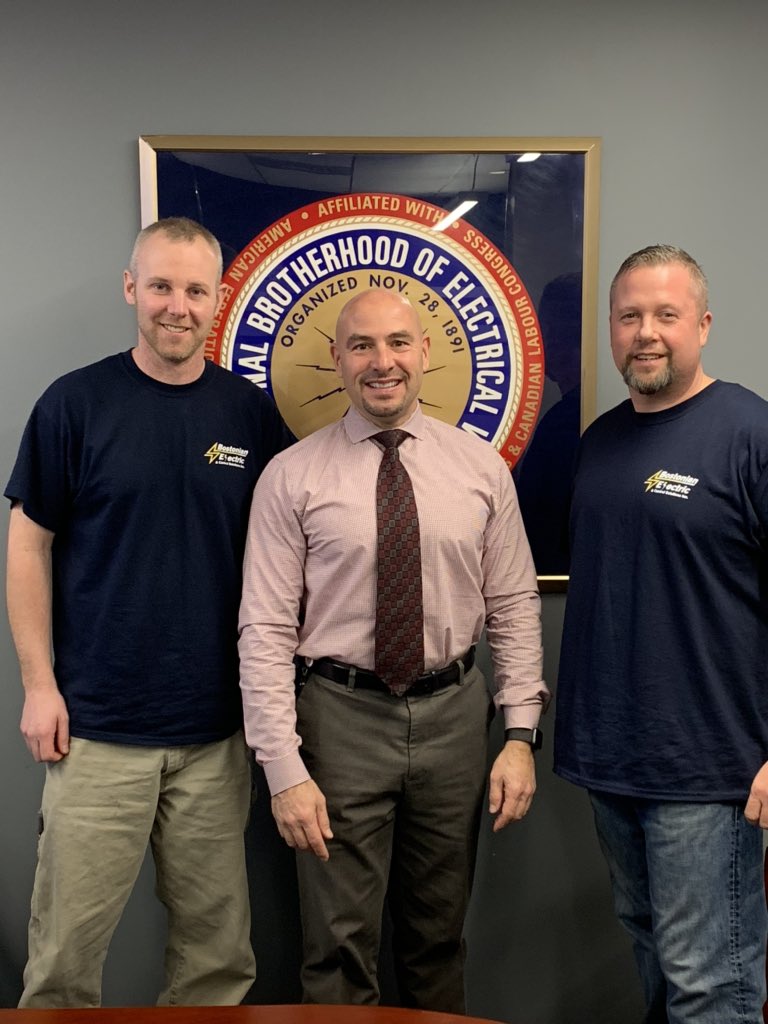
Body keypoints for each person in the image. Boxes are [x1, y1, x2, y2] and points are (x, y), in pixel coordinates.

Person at [5, 217, 292, 1008]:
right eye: (161, 286)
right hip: (96, 731)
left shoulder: (248, 415)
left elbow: (284, 559)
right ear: (131, 288)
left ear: (218, 300)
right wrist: (39, 685)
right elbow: (27, 546)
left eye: (195, 290)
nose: (177, 306)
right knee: (63, 961)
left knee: (217, 962)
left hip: (216, 737)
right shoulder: (75, 404)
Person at [238, 287, 548, 1012]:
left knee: (437, 938)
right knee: (337, 947)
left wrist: (520, 736)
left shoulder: (480, 469)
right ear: (337, 358)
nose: (383, 361)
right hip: (337, 721)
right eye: (363, 345)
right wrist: (282, 768)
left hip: (455, 720)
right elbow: (265, 630)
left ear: (425, 352)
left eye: (399, 342)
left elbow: (513, 606)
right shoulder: (292, 476)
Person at [554, 244, 768, 1023]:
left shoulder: (749, 432)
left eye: (666, 315)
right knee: (652, 953)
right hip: (613, 760)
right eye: (630, 316)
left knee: (710, 985)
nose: (646, 332)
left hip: (709, 768)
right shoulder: (601, 441)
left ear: (703, 325)